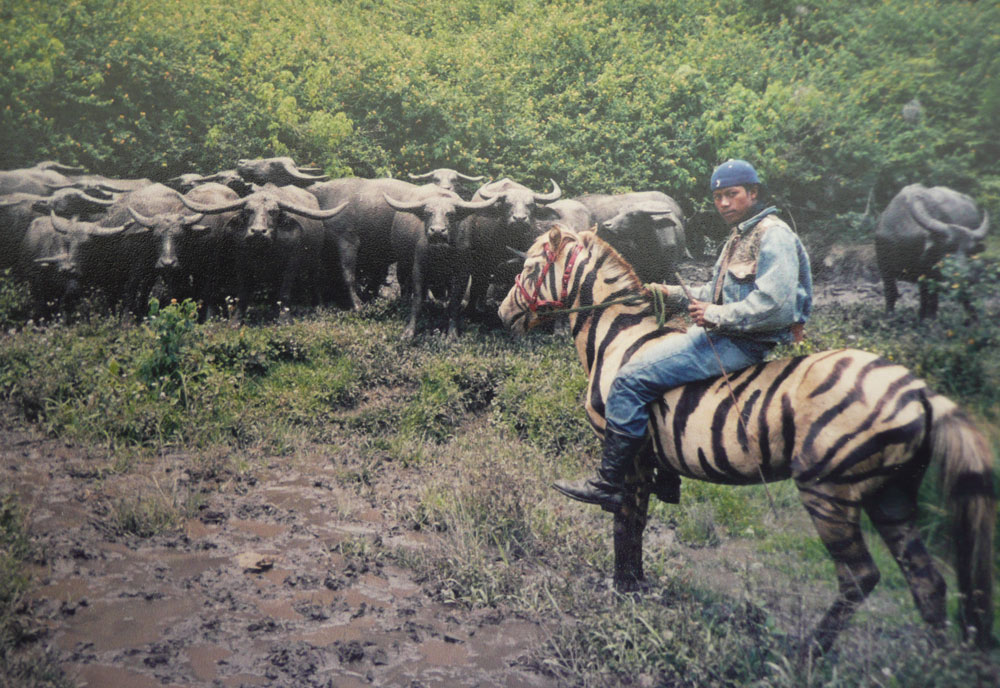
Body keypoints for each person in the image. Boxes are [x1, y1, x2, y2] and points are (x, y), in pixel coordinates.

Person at [553, 159, 813, 511]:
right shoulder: (741, 235)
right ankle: (666, 473)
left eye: (732, 194)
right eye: (718, 196)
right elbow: (715, 289)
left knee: (628, 380)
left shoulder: (773, 234)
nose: (723, 203)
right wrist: (672, 294)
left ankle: (609, 482)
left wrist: (714, 314)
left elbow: (774, 306)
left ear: (753, 193)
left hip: (737, 342)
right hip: (724, 334)